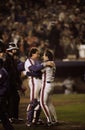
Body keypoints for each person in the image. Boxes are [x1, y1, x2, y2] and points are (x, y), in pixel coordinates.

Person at [24, 47, 54, 126]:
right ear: (32, 54)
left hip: (40, 82)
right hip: (34, 82)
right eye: (37, 53)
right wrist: (44, 64)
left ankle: (35, 120)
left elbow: (38, 71)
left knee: (40, 102)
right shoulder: (28, 61)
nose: (39, 55)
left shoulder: (37, 61)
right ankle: (29, 120)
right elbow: (34, 69)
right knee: (33, 102)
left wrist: (29, 73)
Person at [4, 42, 23, 123]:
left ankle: (14, 117)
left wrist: (18, 83)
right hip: (8, 84)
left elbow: (15, 72)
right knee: (11, 100)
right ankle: (11, 117)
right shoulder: (7, 59)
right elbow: (6, 73)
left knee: (15, 99)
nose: (15, 50)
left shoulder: (12, 59)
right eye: (14, 49)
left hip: (12, 84)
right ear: (10, 50)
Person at [40, 49, 58, 126]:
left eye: (44, 55)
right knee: (49, 103)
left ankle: (49, 120)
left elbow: (37, 70)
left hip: (46, 85)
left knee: (42, 103)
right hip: (51, 85)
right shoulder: (53, 63)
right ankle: (56, 120)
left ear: (47, 56)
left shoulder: (47, 64)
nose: (43, 56)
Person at [0, 47, 14, 130]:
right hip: (2, 95)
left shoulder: (2, 71)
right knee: (3, 114)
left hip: (1, 95)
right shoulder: (3, 70)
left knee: (3, 115)